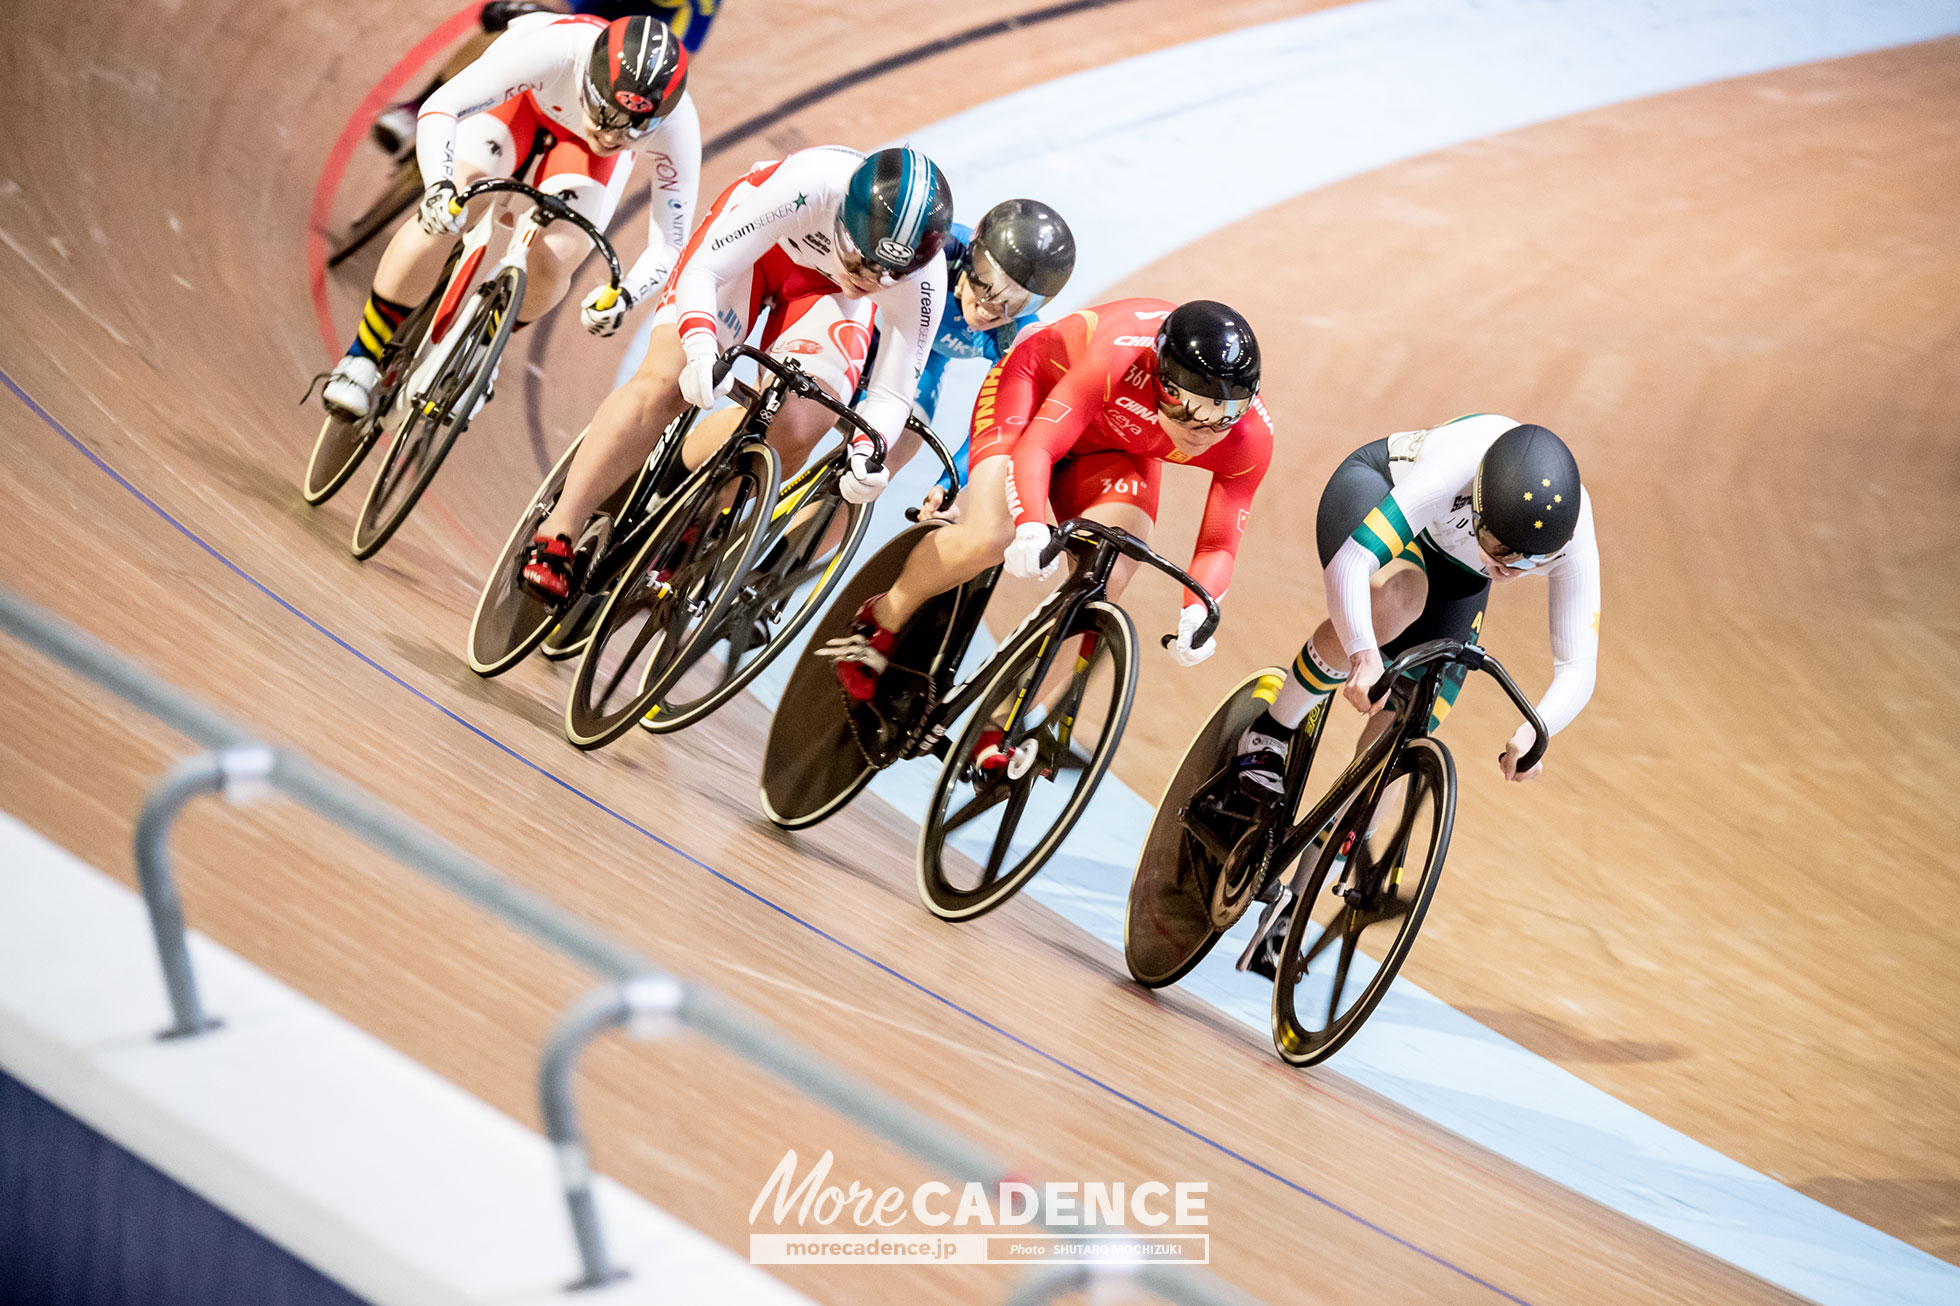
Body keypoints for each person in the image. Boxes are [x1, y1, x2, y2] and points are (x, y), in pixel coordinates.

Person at [821, 298, 1273, 766]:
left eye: (1222, 416)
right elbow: (1039, 445)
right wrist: (1033, 524)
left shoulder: (1250, 438)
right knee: (993, 535)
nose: (1202, 430)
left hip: (1115, 444)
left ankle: (999, 725)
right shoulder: (1119, 356)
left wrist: (1199, 610)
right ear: (1160, 378)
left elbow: (1220, 541)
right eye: (1187, 410)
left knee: (1106, 582)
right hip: (1035, 390)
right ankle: (880, 620)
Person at [519, 144, 954, 599]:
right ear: (843, 217)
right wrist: (703, 345)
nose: (868, 279)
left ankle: (699, 518)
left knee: (801, 425)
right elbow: (704, 272)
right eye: (861, 260)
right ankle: (559, 530)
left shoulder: (925, 280)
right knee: (668, 379)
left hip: (825, 297)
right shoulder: (809, 187)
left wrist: (869, 452)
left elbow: (892, 394)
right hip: (753, 253)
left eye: (888, 276)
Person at [320, 12, 701, 419]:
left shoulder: (678, 125)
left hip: (580, 156)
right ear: (589, 79)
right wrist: (439, 188)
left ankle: (485, 346)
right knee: (464, 201)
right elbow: (442, 107)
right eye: (607, 114)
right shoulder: (554, 52)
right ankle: (362, 356)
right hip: (520, 106)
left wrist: (625, 296)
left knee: (554, 259)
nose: (611, 136)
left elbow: (670, 244)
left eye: (632, 129)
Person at [1231, 415, 1601, 798]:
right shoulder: (1455, 467)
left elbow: (1578, 666)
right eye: (1500, 548)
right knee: (1398, 599)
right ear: (1477, 504)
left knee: (1415, 722)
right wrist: (1362, 654)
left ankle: (1336, 848)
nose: (1510, 570)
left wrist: (1536, 730)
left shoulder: (1575, 538)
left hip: (1460, 571)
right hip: (1378, 493)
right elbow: (1351, 563)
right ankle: (1270, 732)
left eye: (1531, 562)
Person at [371, 2, 724, 158]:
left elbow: (678, 63)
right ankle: (416, 108)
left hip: (638, 39)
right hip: (591, 10)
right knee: (511, 25)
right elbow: (559, 8)